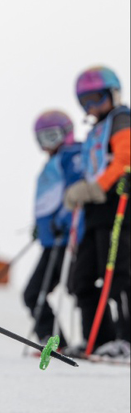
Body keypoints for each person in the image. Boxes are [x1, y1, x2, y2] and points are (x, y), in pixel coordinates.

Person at [63, 66, 130, 356]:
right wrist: (80, 190)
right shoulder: (94, 132)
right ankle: (99, 340)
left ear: (113, 94)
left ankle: (126, 340)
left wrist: (97, 187)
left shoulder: (121, 119)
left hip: (119, 206)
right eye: (85, 102)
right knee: (81, 279)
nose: (92, 107)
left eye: (97, 98)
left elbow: (125, 160)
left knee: (119, 275)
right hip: (94, 212)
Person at [23, 111, 83, 349]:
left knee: (77, 287)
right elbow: (46, 200)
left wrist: (64, 219)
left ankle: (101, 336)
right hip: (50, 240)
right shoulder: (51, 162)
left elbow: (75, 191)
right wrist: (40, 227)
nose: (47, 144)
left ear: (66, 133)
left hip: (66, 239)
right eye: (41, 139)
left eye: (52, 136)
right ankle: (54, 342)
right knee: (33, 293)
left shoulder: (72, 155)